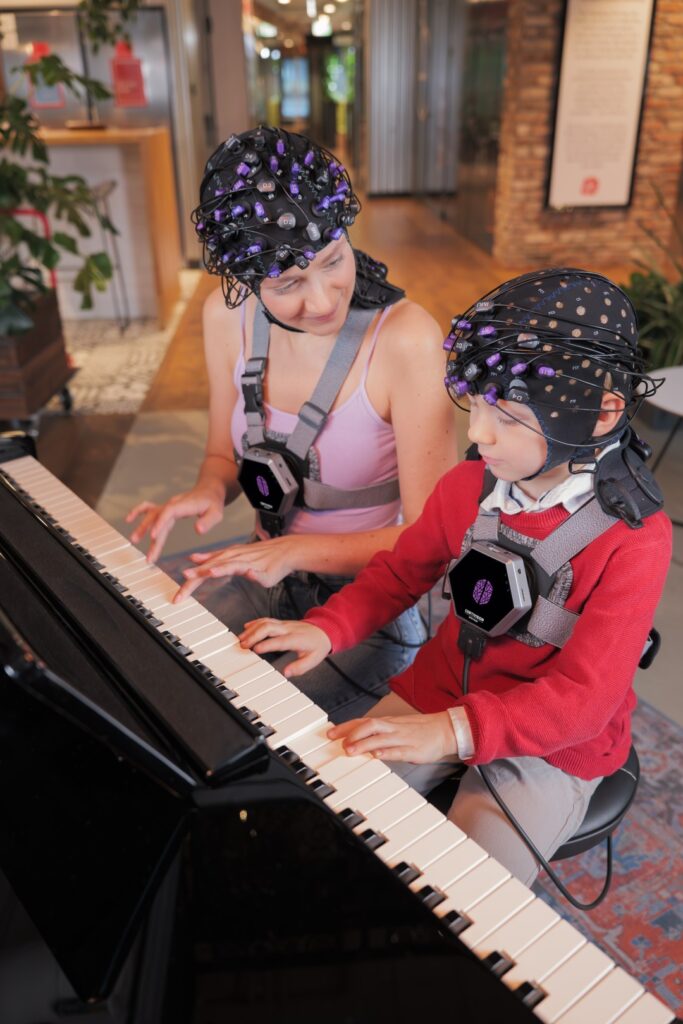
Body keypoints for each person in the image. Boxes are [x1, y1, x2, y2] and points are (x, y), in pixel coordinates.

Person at [239, 268, 672, 888]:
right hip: (438, 691)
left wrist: (450, 733)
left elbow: (584, 702)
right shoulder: (469, 484)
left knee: (467, 887)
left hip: (549, 746)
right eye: (479, 406)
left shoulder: (636, 538)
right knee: (327, 814)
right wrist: (329, 628)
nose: (477, 432)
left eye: (509, 416)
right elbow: (398, 573)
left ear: (602, 414)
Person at [126, 125, 457, 721]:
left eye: (333, 261)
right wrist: (208, 489)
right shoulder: (226, 319)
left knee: (231, 722)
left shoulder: (406, 340)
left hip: (371, 603)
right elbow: (223, 457)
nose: (324, 300)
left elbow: (433, 540)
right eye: (288, 284)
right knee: (156, 684)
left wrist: (294, 551)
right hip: (267, 570)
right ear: (245, 279)